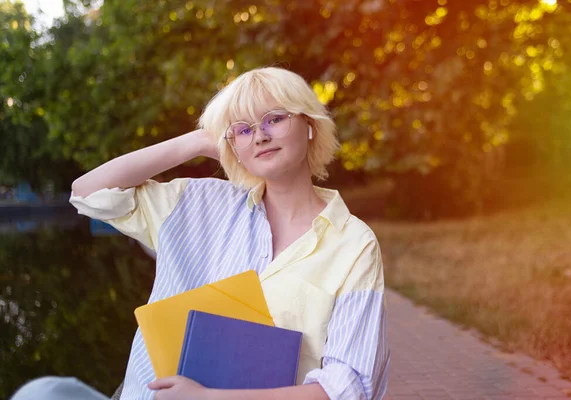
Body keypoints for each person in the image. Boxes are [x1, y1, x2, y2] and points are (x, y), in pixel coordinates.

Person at [14, 67, 390, 400]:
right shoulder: (198, 203)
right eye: (242, 129)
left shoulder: (353, 244)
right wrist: (196, 141)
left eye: (275, 118)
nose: (259, 136)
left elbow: (347, 388)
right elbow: (88, 194)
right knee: (40, 392)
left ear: (309, 126)